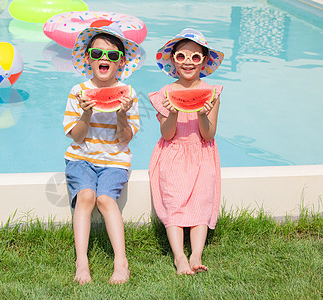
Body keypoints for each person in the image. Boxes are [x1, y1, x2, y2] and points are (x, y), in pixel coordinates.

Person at [63, 23, 141, 284]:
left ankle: (121, 262)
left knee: (105, 200)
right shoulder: (78, 91)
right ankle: (81, 263)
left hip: (115, 160)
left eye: (112, 55)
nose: (104, 59)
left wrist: (121, 112)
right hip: (81, 158)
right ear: (88, 59)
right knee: (86, 196)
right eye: (96, 54)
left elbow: (125, 138)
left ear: (121, 62)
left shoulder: (128, 94)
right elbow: (76, 137)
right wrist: (86, 112)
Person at [148, 28, 224, 275]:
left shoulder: (211, 93)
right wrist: (173, 112)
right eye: (181, 56)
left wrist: (202, 111)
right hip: (173, 154)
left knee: (201, 204)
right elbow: (167, 134)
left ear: (204, 61)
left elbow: (209, 134)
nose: (188, 62)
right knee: (174, 205)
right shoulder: (164, 94)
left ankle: (196, 255)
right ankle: (179, 257)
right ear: (173, 60)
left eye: (195, 57)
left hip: (202, 154)